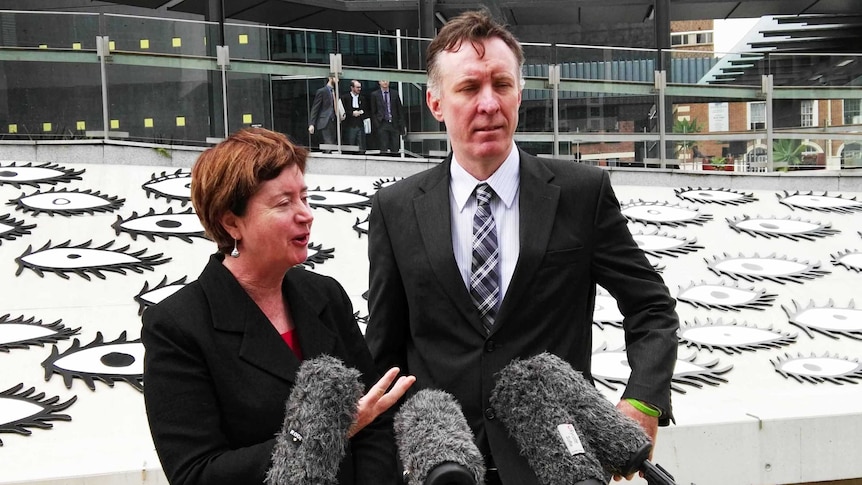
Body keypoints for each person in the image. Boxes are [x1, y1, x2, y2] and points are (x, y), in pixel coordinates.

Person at [365, 10, 679, 485]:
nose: (488, 103)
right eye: (469, 88)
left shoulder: (581, 192)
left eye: (502, 85)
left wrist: (642, 402)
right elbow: (384, 353)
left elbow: (652, 309)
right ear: (435, 101)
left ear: (520, 91)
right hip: (442, 471)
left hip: (559, 465)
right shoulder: (395, 208)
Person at [142, 128, 414, 485]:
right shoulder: (177, 326)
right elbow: (197, 473)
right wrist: (322, 435)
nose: (306, 215)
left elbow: (374, 418)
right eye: (284, 203)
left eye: (304, 197)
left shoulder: (325, 295)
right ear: (231, 222)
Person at [369, 80, 406, 154]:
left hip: (393, 123)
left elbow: (400, 110)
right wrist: (377, 124)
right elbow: (373, 111)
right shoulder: (375, 94)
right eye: (383, 81)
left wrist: (401, 124)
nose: (385, 82)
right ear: (379, 82)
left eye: (387, 80)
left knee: (395, 147)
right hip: (382, 123)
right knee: (383, 146)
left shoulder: (394, 93)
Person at [308, 76, 339, 150]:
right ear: (330, 78)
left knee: (333, 143)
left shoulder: (336, 91)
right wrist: (312, 124)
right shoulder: (322, 91)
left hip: (334, 120)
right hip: (325, 121)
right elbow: (315, 108)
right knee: (328, 143)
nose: (337, 80)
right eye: (336, 78)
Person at [340, 80, 370, 152]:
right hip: (349, 125)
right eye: (357, 87)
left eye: (360, 87)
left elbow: (366, 109)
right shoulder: (345, 98)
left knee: (361, 145)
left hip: (360, 124)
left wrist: (360, 112)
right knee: (350, 144)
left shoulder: (362, 98)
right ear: (352, 88)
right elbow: (343, 110)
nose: (359, 89)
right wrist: (352, 113)